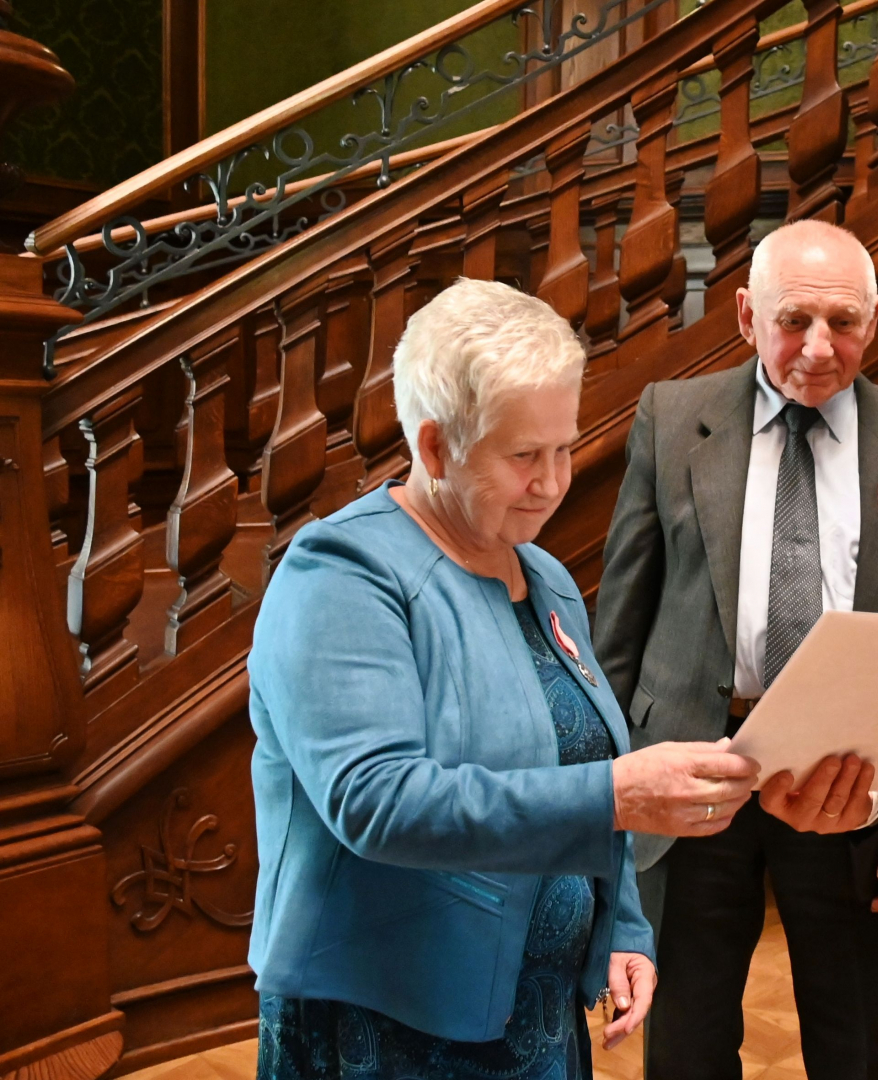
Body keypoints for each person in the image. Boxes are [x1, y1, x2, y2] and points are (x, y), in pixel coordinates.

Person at [246, 278, 760, 1080]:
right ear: (434, 448)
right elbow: (375, 800)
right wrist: (615, 796)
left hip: (534, 1014)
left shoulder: (543, 575)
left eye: (564, 448)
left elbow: (581, 759)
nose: (552, 482)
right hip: (386, 1024)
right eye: (524, 456)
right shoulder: (342, 573)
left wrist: (621, 926)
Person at [594, 219, 878, 1080]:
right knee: (686, 1043)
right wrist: (603, 800)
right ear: (746, 315)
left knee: (863, 1044)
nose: (818, 348)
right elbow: (620, 624)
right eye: (793, 321)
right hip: (694, 775)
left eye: (843, 322)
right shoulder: (671, 419)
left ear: (873, 319)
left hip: (852, 788)